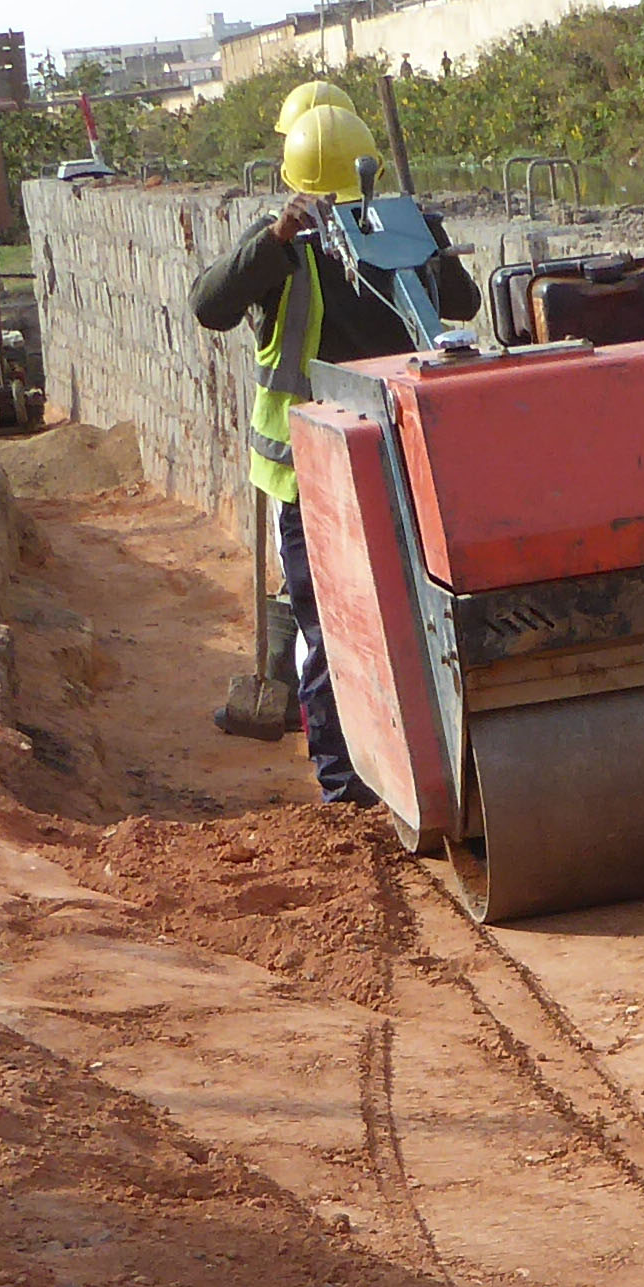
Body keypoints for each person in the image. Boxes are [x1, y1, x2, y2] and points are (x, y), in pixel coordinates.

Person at [188, 100, 479, 810]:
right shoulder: (388, 234)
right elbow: (467, 304)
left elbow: (207, 306)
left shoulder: (284, 245)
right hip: (402, 465)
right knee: (409, 616)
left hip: (315, 477)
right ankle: (422, 767)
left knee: (328, 628)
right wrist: (427, 236)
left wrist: (273, 240)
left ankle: (346, 786)